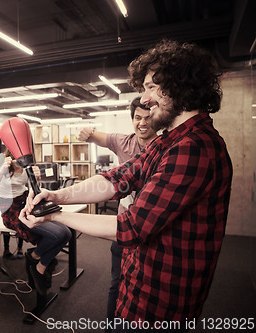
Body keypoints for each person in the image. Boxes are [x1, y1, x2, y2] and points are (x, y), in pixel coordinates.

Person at [20, 39, 232, 329]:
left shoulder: (193, 147)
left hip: (161, 305)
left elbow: (132, 227)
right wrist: (56, 195)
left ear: (178, 85)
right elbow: (117, 179)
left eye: (149, 88)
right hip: (139, 288)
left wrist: (53, 214)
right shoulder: (169, 142)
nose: (144, 99)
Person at [77, 97, 157, 327]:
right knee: (117, 282)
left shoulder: (166, 147)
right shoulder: (124, 142)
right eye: (137, 118)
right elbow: (95, 135)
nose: (142, 123)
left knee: (146, 287)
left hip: (150, 227)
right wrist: (86, 131)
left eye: (148, 118)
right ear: (132, 119)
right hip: (123, 225)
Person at [0, 149, 71, 295]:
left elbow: (34, 192)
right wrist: (2, 170)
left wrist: (37, 179)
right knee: (58, 234)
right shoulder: (0, 161)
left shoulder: (27, 165)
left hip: (26, 204)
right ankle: (38, 264)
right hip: (10, 211)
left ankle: (36, 260)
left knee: (67, 233)